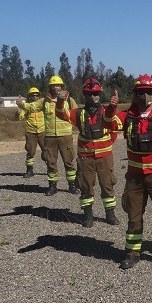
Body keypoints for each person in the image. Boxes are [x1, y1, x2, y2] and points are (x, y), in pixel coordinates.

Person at [104, 74, 152, 271]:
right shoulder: (127, 115)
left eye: (148, 92)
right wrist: (111, 107)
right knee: (134, 215)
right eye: (140, 92)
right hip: (135, 178)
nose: (144, 96)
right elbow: (109, 124)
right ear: (134, 94)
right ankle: (132, 253)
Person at [57, 78, 121, 228]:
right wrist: (60, 102)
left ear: (100, 94)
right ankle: (88, 216)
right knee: (85, 186)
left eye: (95, 94)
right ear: (84, 95)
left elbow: (114, 129)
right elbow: (62, 115)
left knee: (107, 185)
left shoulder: (106, 110)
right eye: (89, 94)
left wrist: (106, 144)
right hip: (85, 157)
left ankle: (110, 214)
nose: (92, 97)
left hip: (104, 156)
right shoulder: (79, 113)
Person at [17, 76, 79, 196]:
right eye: (53, 85)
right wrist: (22, 105)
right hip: (50, 137)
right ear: (50, 87)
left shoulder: (69, 100)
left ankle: (72, 185)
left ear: (62, 87)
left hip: (65, 136)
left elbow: (77, 114)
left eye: (58, 85)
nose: (56, 87)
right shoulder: (44, 101)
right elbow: (32, 107)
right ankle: (52, 186)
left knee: (68, 161)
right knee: (51, 162)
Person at [15, 87, 45, 178]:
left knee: (47, 151)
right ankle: (29, 170)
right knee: (30, 152)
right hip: (30, 132)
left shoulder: (42, 106)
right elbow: (19, 117)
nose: (35, 97)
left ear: (39, 96)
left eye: (36, 95)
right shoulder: (26, 107)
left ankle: (50, 169)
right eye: (32, 95)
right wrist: (17, 112)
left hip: (43, 131)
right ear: (29, 97)